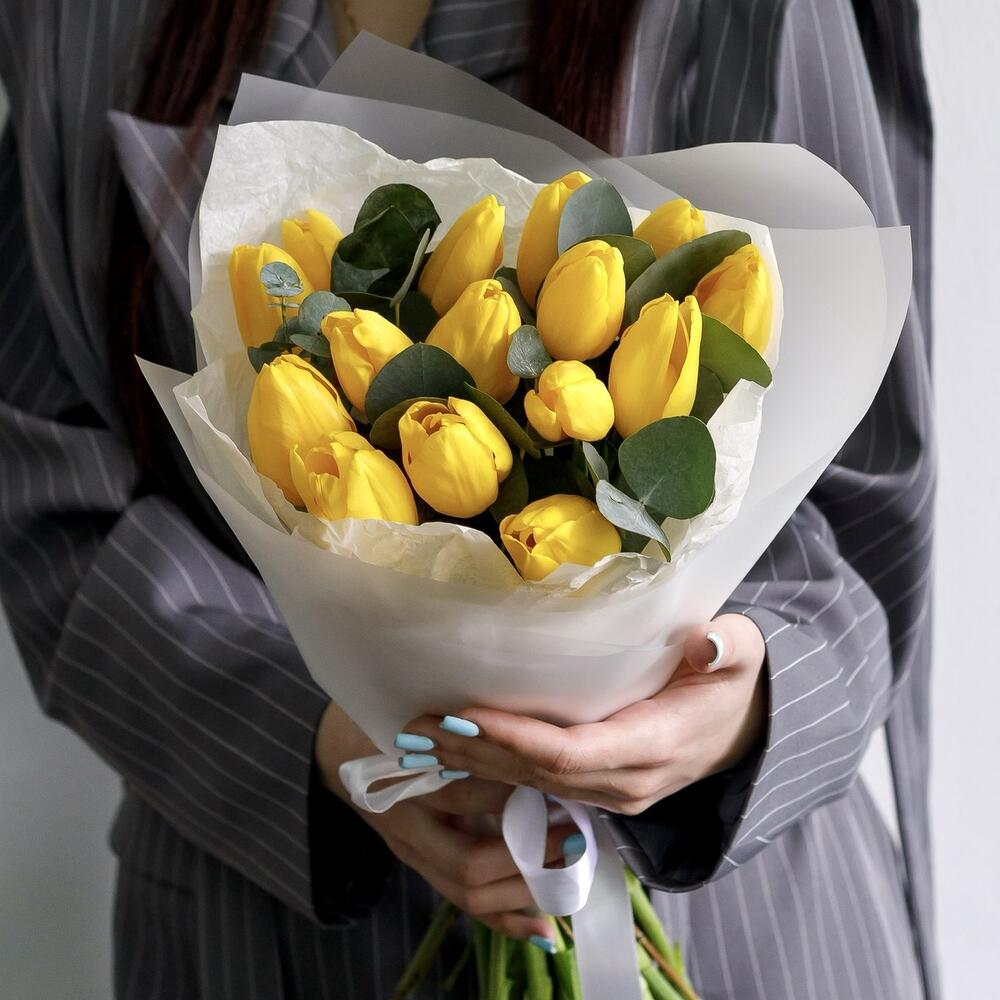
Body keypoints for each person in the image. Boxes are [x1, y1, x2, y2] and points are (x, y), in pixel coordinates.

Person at [0, 0, 936, 997]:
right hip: (267, 932)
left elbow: (868, 486)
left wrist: (744, 706)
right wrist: (318, 734)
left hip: (737, 927)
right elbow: (46, 487)